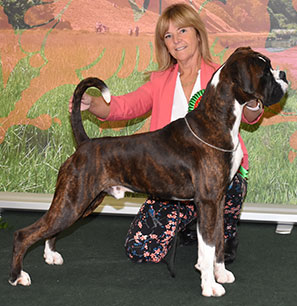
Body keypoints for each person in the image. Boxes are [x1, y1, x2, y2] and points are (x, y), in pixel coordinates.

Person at [69, 3, 263, 265]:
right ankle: (188, 223)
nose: (176, 40)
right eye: (168, 36)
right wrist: (92, 104)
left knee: (229, 185)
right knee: (141, 250)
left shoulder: (222, 75)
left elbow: (250, 116)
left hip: (217, 175)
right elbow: (126, 106)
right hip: (174, 181)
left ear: (197, 34)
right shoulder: (160, 81)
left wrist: (253, 99)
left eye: (182, 30)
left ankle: (222, 232)